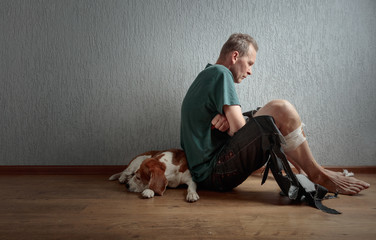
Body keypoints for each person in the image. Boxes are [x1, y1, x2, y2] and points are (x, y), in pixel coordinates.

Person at [180, 33, 370, 195]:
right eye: (249, 63)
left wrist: (229, 124)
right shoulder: (221, 73)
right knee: (280, 109)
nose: (250, 71)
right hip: (216, 173)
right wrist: (232, 126)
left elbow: (231, 128)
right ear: (235, 56)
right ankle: (317, 174)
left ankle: (309, 170)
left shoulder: (206, 76)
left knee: (264, 114)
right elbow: (239, 129)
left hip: (207, 174)